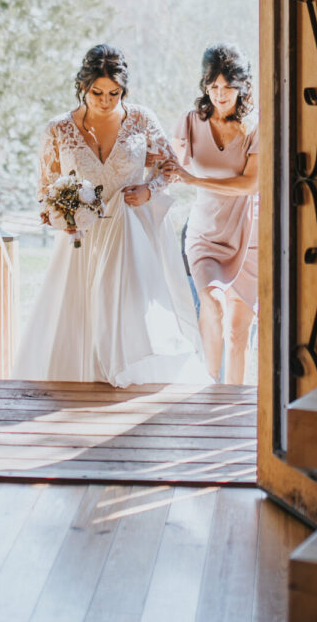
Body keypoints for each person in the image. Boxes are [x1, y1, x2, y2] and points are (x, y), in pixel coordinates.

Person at [14, 44, 210, 386]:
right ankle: (83, 381)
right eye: (97, 93)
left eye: (114, 93)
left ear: (124, 90)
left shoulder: (141, 119)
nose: (105, 101)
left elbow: (170, 168)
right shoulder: (57, 130)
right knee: (79, 315)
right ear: (82, 87)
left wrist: (149, 190)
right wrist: (60, 212)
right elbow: (45, 189)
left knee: (132, 315)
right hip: (82, 239)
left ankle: (130, 376)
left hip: (129, 236)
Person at [163, 43, 259, 385]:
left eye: (229, 87)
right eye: (214, 86)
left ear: (242, 86)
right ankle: (208, 390)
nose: (221, 94)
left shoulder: (254, 128)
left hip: (249, 236)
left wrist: (193, 178)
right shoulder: (189, 123)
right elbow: (166, 169)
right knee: (213, 306)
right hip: (205, 235)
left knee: (238, 332)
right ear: (205, 85)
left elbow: (250, 185)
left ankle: (233, 400)